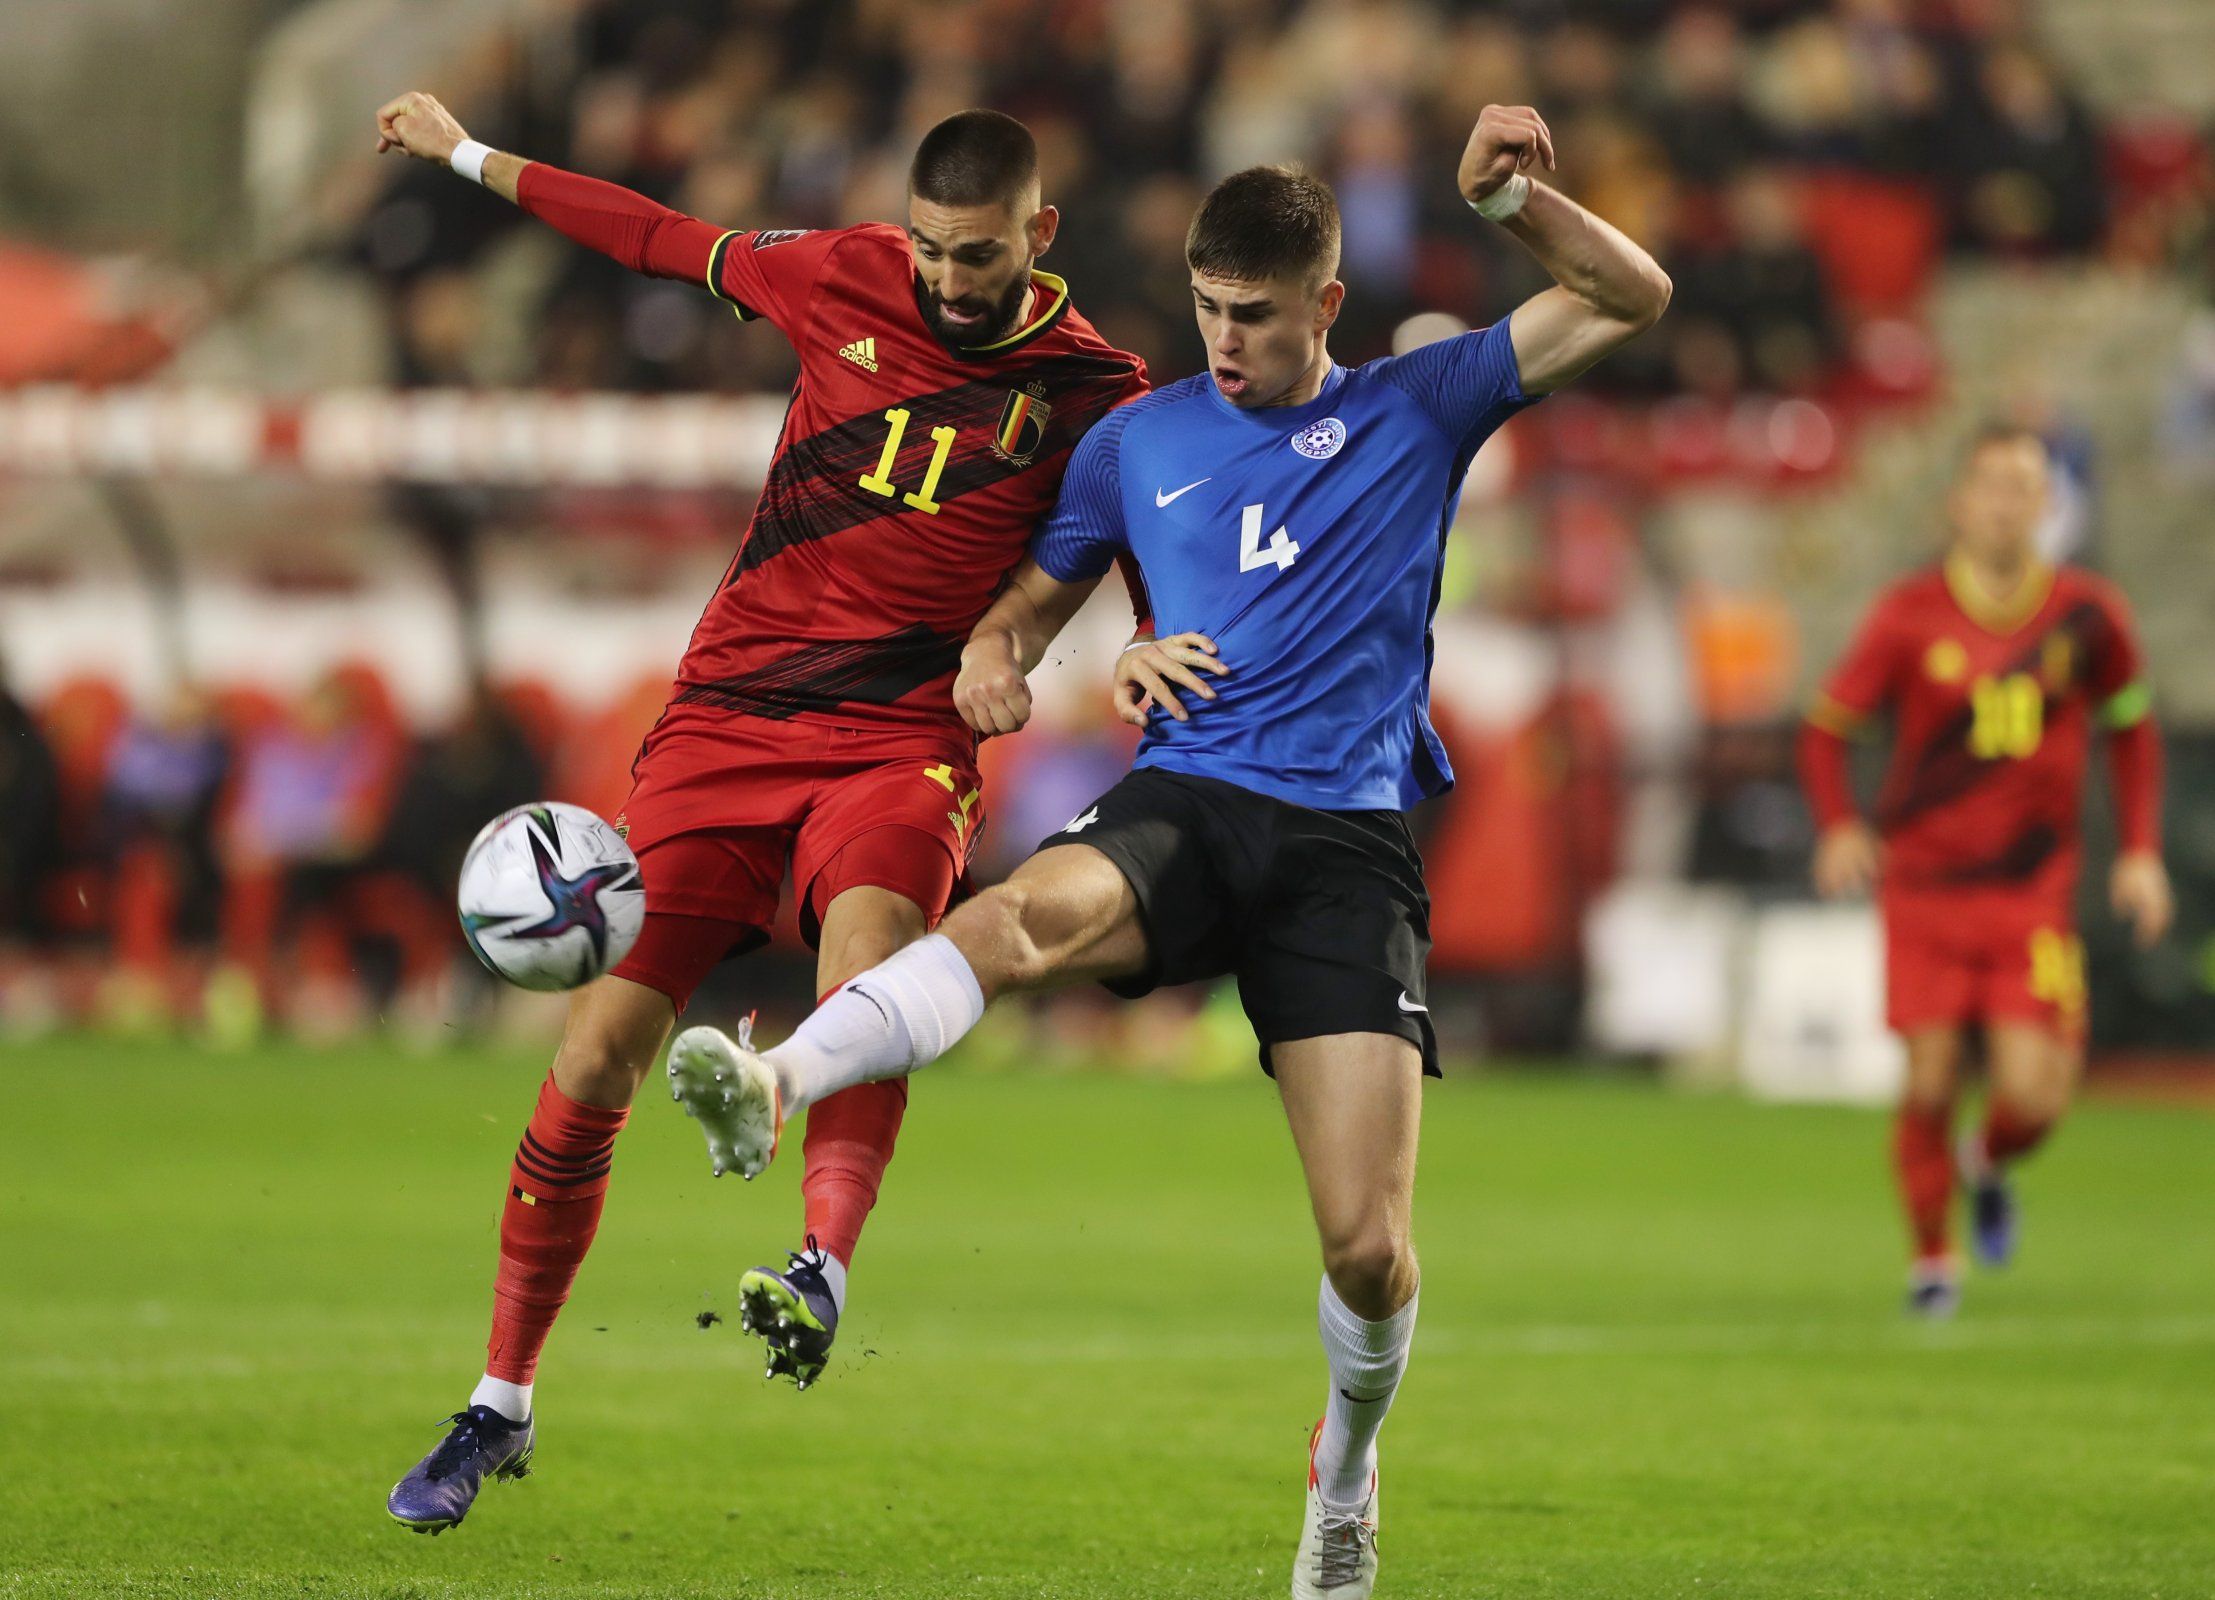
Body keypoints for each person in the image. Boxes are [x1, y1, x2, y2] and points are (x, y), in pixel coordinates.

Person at [667, 106, 1668, 1600]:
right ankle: (771, 1078)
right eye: (1204, 308)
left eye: (1253, 317)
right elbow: (1018, 612)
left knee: (1366, 1257)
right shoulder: (1135, 441)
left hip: (1342, 848)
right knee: (1014, 920)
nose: (1221, 340)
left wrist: (1515, 199)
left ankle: (1342, 1464)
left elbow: (1628, 298)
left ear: (1323, 305)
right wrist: (1021, 666)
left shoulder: (1421, 403)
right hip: (1187, 805)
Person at [370, 91, 1147, 1531]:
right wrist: (467, 153)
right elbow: (655, 236)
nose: (941, 278)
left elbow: (1136, 543)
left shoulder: (1102, 393)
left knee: (872, 957)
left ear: (1037, 236)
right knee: (597, 1047)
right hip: (728, 718)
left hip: (897, 740)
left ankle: (818, 1267)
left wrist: (1049, 655)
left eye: (974, 256)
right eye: (927, 249)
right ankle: (498, 1402)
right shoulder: (835, 271)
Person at [1800, 428, 2170, 1319]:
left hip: (2029, 892)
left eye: (2025, 487)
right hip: (1925, 886)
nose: (2008, 502)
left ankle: (1988, 1160)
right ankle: (1933, 1263)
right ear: (1957, 504)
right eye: (1992, 485)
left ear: (2048, 506)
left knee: (2035, 1095)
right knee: (1927, 1078)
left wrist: (2140, 850)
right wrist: (1841, 825)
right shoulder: (1908, 614)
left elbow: (2130, 725)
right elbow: (1824, 728)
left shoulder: (2088, 615)